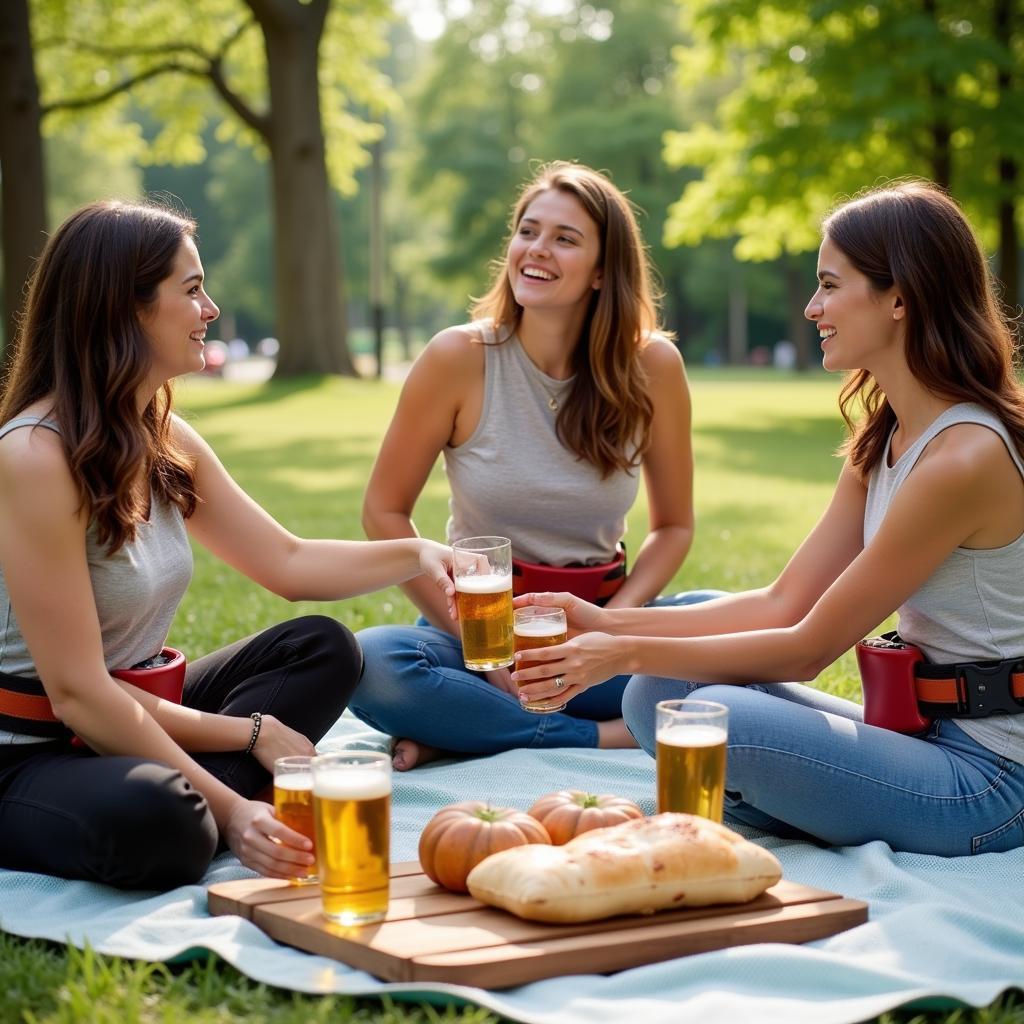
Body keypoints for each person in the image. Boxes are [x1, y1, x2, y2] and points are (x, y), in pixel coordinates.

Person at [512, 181, 1024, 856]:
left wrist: (621, 648)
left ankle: (792, 799)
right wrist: (607, 622)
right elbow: (785, 599)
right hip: (917, 739)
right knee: (655, 693)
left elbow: (809, 650)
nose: (812, 308)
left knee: (713, 718)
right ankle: (804, 800)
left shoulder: (964, 458)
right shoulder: (889, 434)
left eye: (830, 286)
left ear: (900, 298)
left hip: (991, 780)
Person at [0, 199, 456, 889]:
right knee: (163, 819)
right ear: (124, 307)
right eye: (191, 290)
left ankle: (196, 798)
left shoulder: (162, 437)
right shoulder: (34, 457)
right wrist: (247, 758)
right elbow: (80, 697)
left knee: (322, 647)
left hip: (137, 709)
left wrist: (417, 555)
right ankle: (209, 808)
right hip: (30, 752)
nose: (210, 308)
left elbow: (288, 562)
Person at [350, 161, 697, 770]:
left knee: (727, 634)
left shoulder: (653, 367)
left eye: (565, 238)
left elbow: (674, 527)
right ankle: (605, 735)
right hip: (477, 635)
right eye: (528, 231)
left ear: (601, 271)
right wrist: (487, 655)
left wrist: (607, 635)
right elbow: (383, 512)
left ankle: (468, 731)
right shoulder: (458, 357)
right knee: (375, 663)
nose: (537, 250)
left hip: (599, 631)